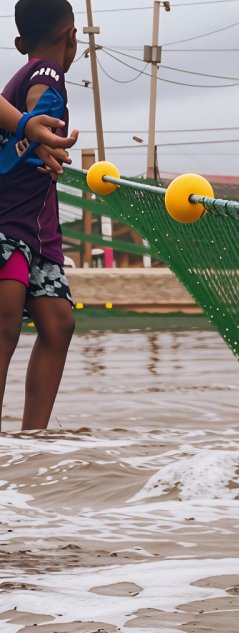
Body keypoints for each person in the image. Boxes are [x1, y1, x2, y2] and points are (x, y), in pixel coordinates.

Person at [0, 0, 78, 431]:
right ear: (73, 37)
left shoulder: (27, 72)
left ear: (19, 42)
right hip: (8, 223)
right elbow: (40, 101)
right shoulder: (49, 74)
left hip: (37, 232)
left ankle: (33, 442)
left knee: (58, 321)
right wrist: (36, 127)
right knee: (5, 320)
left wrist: (36, 134)